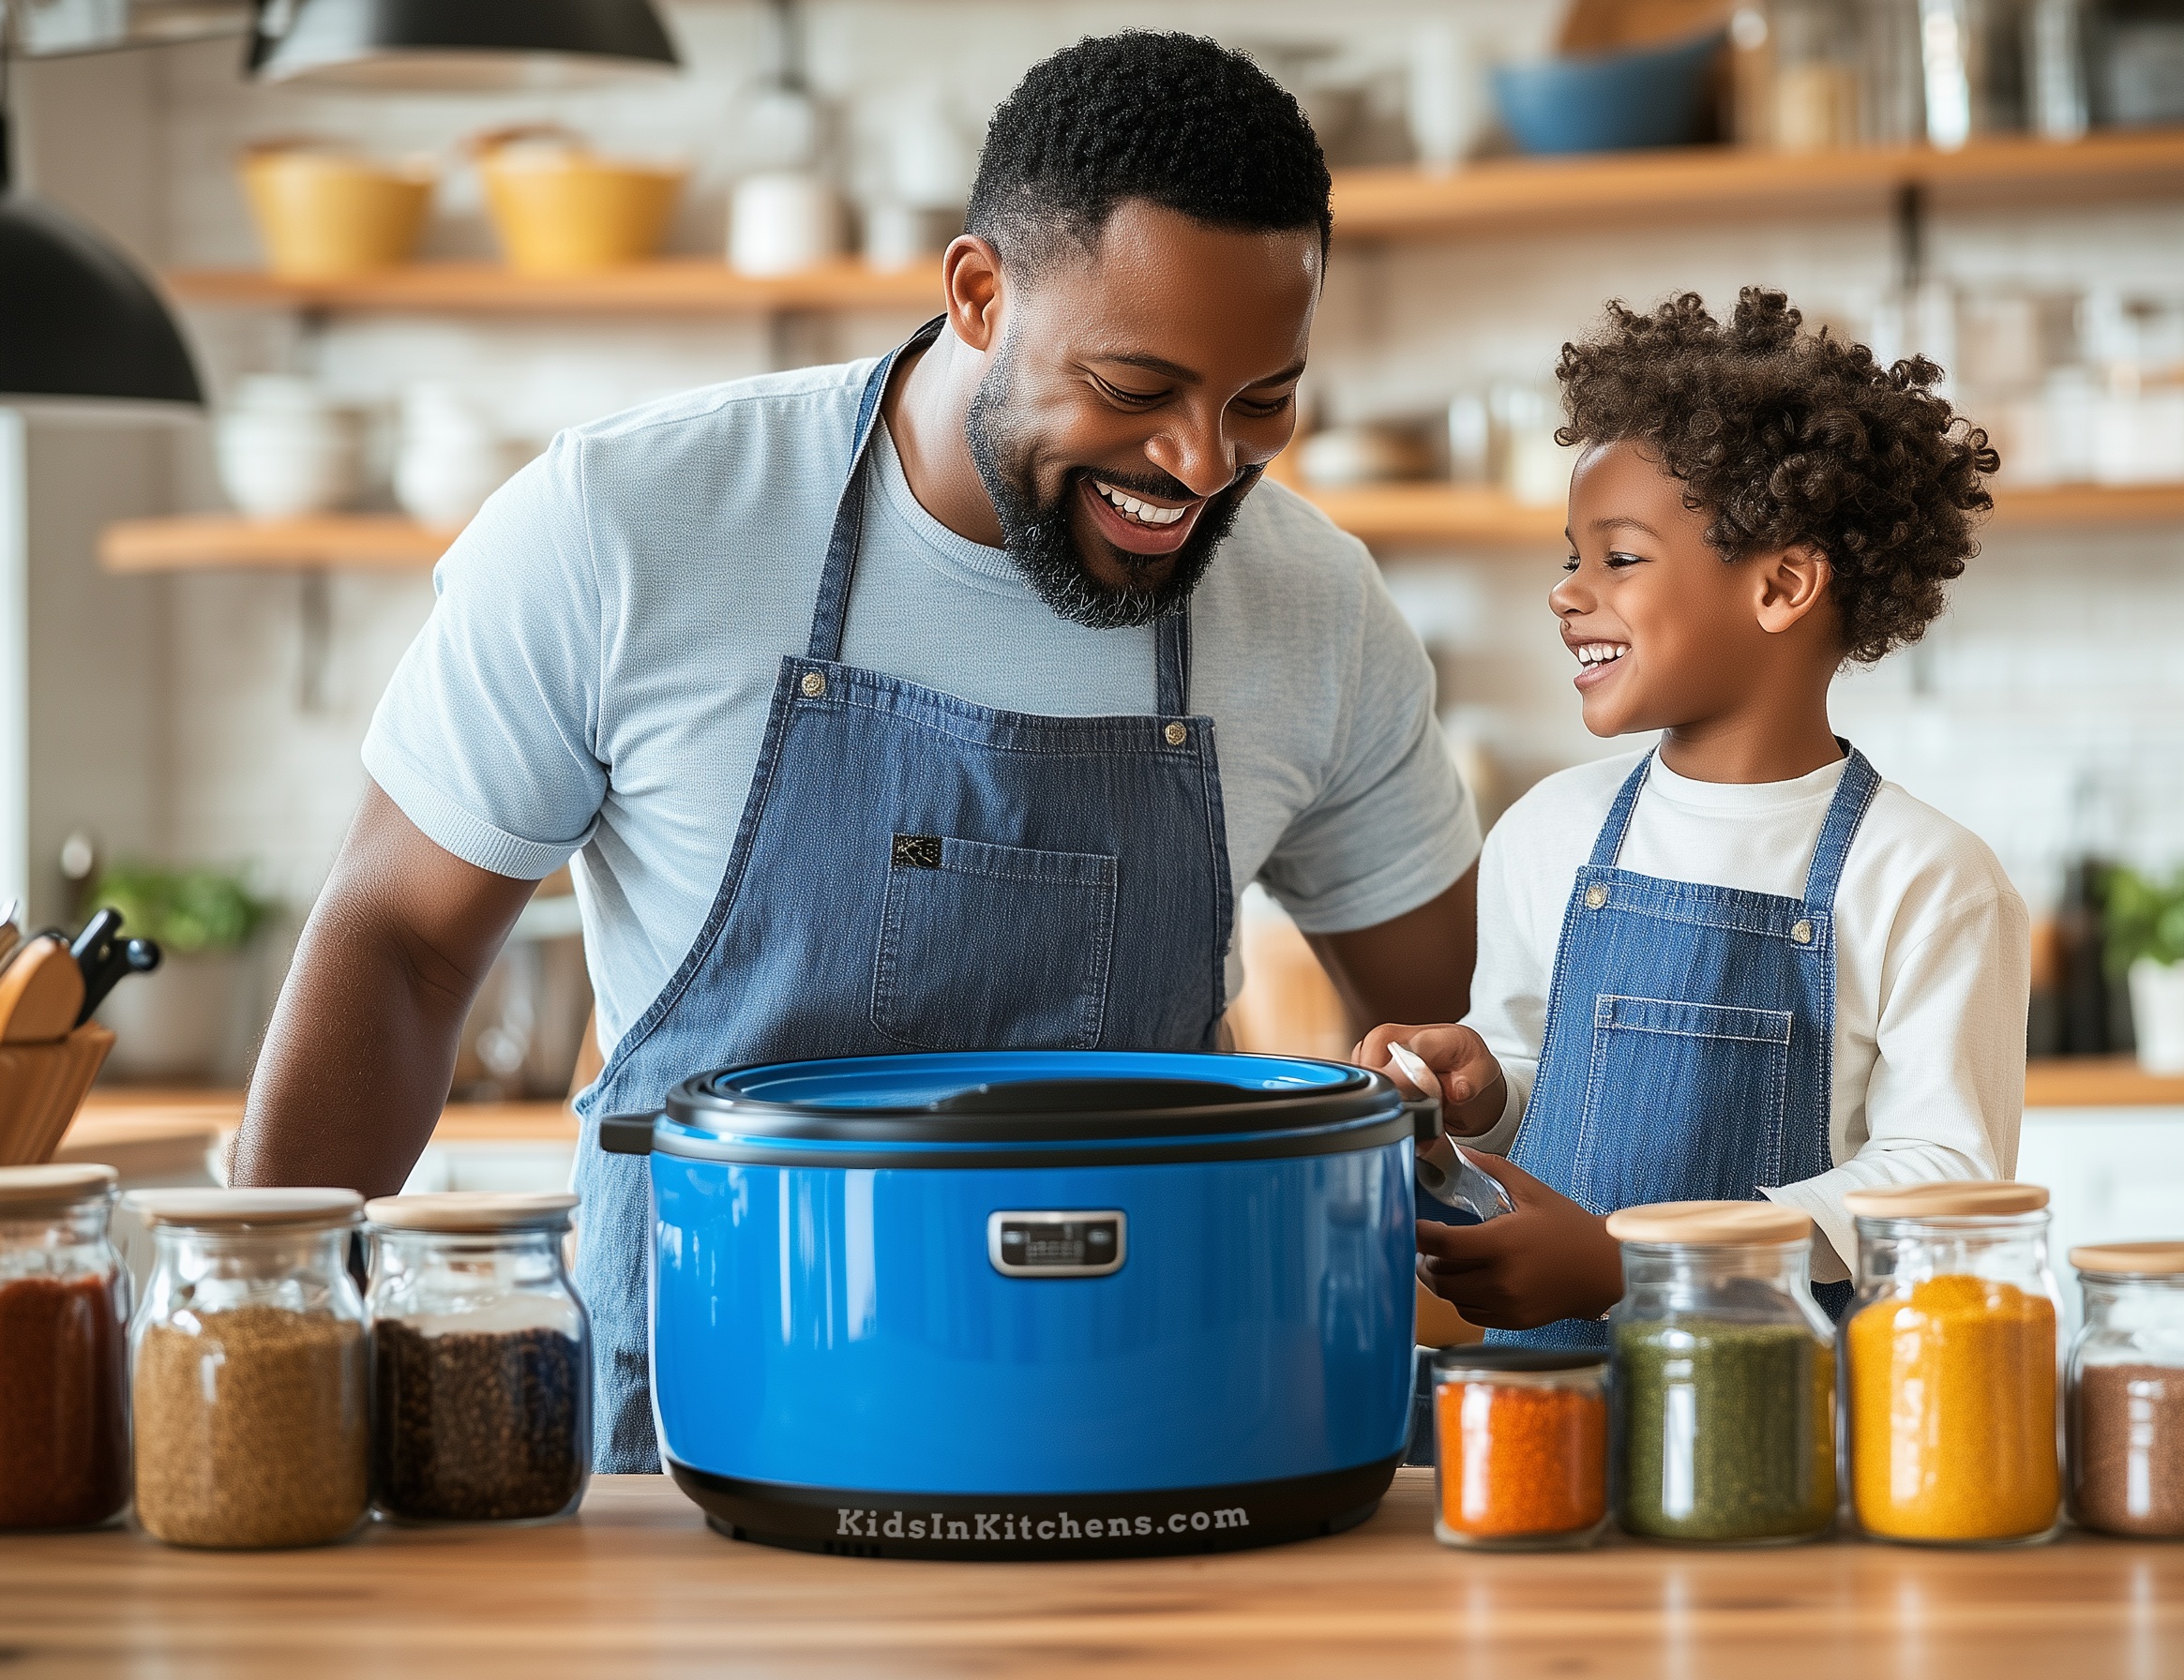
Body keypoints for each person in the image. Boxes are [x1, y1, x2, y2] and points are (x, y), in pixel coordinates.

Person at [234, 33, 1482, 1467]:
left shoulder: (1315, 604)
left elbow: (1437, 1040)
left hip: (1147, 1429)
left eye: (1261, 400)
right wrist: (276, 1330)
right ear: (976, 294)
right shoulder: (629, 525)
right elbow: (401, 943)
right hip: (698, 1450)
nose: (1201, 466)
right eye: (1137, 388)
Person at [1357, 289, 2028, 1345]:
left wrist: (1637, 1264)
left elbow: (1941, 1180)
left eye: (1617, 558)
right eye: (1570, 556)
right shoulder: (1549, 831)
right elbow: (1545, 1072)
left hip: (1784, 1434)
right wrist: (1481, 1090)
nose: (1567, 593)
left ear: (1783, 585)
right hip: (1554, 1415)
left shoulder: (1925, 875)